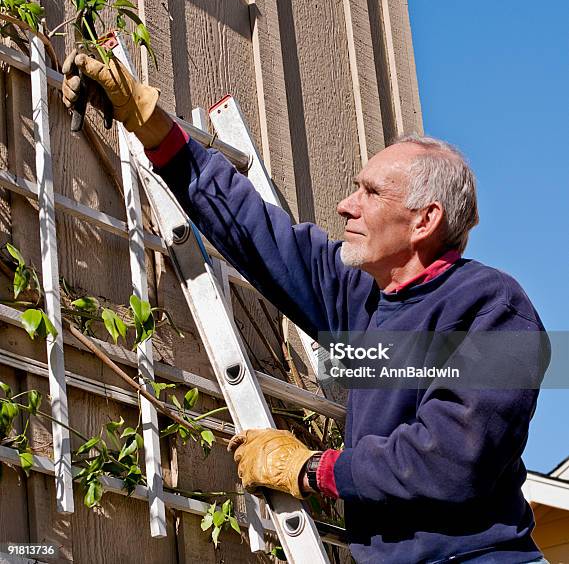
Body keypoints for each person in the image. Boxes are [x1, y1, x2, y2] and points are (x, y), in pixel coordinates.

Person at [62, 51, 550, 564]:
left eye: (370, 192)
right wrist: (149, 122)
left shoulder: (494, 309)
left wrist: (312, 469)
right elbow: (258, 232)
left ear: (424, 220)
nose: (347, 204)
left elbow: (452, 457)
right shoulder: (363, 300)